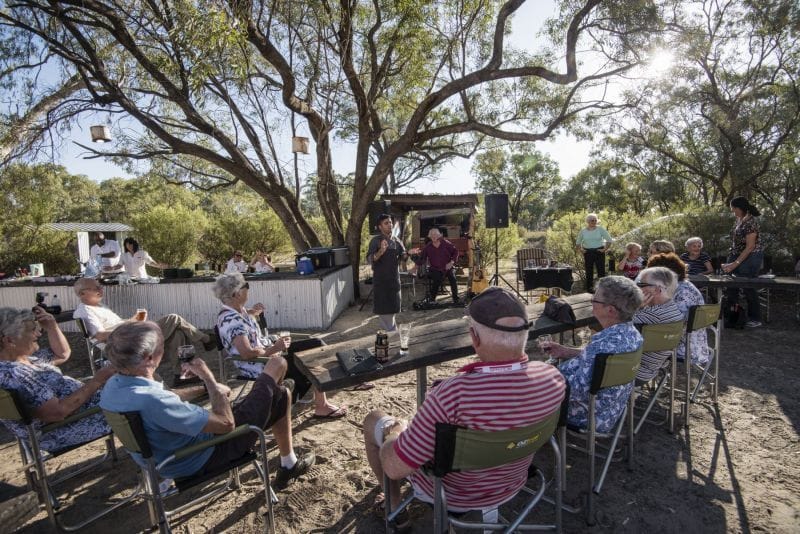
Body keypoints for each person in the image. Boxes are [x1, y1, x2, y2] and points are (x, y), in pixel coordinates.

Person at [363, 287, 565, 519]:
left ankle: (394, 507)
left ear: (474, 337)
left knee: (374, 420)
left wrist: (395, 433)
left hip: (452, 495)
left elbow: (394, 467)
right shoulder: (553, 378)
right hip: (512, 483)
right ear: (525, 334)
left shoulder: (453, 395)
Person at [99, 321, 315, 489]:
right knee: (277, 365)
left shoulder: (114, 386)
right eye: (163, 346)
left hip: (163, 457)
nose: (167, 350)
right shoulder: (154, 401)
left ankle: (289, 461)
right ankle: (288, 460)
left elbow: (167, 396)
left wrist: (205, 389)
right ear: (148, 358)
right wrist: (209, 378)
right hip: (200, 455)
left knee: (279, 394)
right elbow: (226, 424)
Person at [214, 272, 348, 419]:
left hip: (269, 352)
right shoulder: (231, 320)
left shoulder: (238, 310)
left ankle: (322, 402)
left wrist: (254, 312)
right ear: (236, 294)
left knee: (316, 345)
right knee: (310, 359)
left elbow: (244, 325)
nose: (248, 288)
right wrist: (275, 348)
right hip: (260, 364)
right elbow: (246, 353)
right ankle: (317, 405)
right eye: (245, 285)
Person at [0, 307, 114, 452]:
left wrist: (52, 326)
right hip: (64, 428)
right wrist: (97, 381)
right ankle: (147, 460)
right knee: (136, 402)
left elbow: (62, 354)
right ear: (10, 340)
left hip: (81, 412)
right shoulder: (15, 374)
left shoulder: (23, 360)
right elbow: (57, 413)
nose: (38, 333)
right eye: (31, 330)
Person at [72, 277, 215, 386]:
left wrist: (133, 320)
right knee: (173, 319)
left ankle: (181, 376)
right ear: (82, 293)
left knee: (177, 334)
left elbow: (117, 325)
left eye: (100, 286)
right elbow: (101, 336)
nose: (100, 289)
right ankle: (206, 340)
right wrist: (133, 325)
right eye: (96, 287)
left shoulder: (100, 306)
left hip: (132, 334)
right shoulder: (84, 311)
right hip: (124, 343)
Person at [544, 276, 643, 432]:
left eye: (594, 300)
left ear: (610, 310)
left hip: (583, 415)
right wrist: (565, 351)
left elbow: (574, 391)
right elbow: (600, 361)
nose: (591, 303)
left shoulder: (603, 345)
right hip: (610, 411)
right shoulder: (632, 335)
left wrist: (544, 376)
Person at [646, 253, 710, 366]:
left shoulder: (681, 292)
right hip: (695, 345)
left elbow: (673, 326)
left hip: (683, 349)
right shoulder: (684, 286)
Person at [631, 267, 684, 383]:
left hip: (632, 372)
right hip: (651, 370)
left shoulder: (653, 314)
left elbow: (615, 326)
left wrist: (638, 307)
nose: (637, 287)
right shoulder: (672, 308)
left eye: (641, 284)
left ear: (657, 289)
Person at [721, 196, 764, 328]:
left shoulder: (751, 222)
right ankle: (732, 315)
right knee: (729, 284)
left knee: (747, 285)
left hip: (751, 256)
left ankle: (755, 318)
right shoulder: (739, 219)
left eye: (734, 209)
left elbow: (750, 247)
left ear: (740, 208)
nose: (733, 212)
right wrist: (729, 262)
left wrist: (735, 264)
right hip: (736, 253)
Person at [366, 214, 406, 331]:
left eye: (390, 223)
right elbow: (369, 259)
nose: (390, 225)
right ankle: (392, 340)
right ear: (380, 227)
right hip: (382, 284)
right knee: (386, 316)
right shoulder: (376, 241)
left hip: (394, 282)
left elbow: (403, 257)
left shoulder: (396, 240)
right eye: (386, 223)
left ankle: (391, 339)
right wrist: (380, 252)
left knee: (392, 314)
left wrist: (408, 253)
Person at [415, 228, 460, 304]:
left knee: (453, 278)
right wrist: (415, 267)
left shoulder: (445, 243)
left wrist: (451, 262)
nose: (434, 236)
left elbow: (456, 251)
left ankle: (456, 299)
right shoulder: (428, 247)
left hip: (447, 267)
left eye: (435, 234)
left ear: (439, 235)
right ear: (429, 236)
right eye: (432, 235)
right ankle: (432, 299)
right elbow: (422, 258)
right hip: (435, 269)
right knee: (436, 279)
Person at [575, 213, 613, 292]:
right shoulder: (583, 231)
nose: (594, 222)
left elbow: (609, 240)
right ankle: (590, 289)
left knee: (601, 271)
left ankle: (602, 289)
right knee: (589, 271)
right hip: (588, 252)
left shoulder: (600, 229)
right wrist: (582, 250)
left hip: (599, 251)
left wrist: (604, 249)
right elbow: (578, 243)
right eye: (592, 220)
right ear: (588, 221)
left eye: (595, 220)